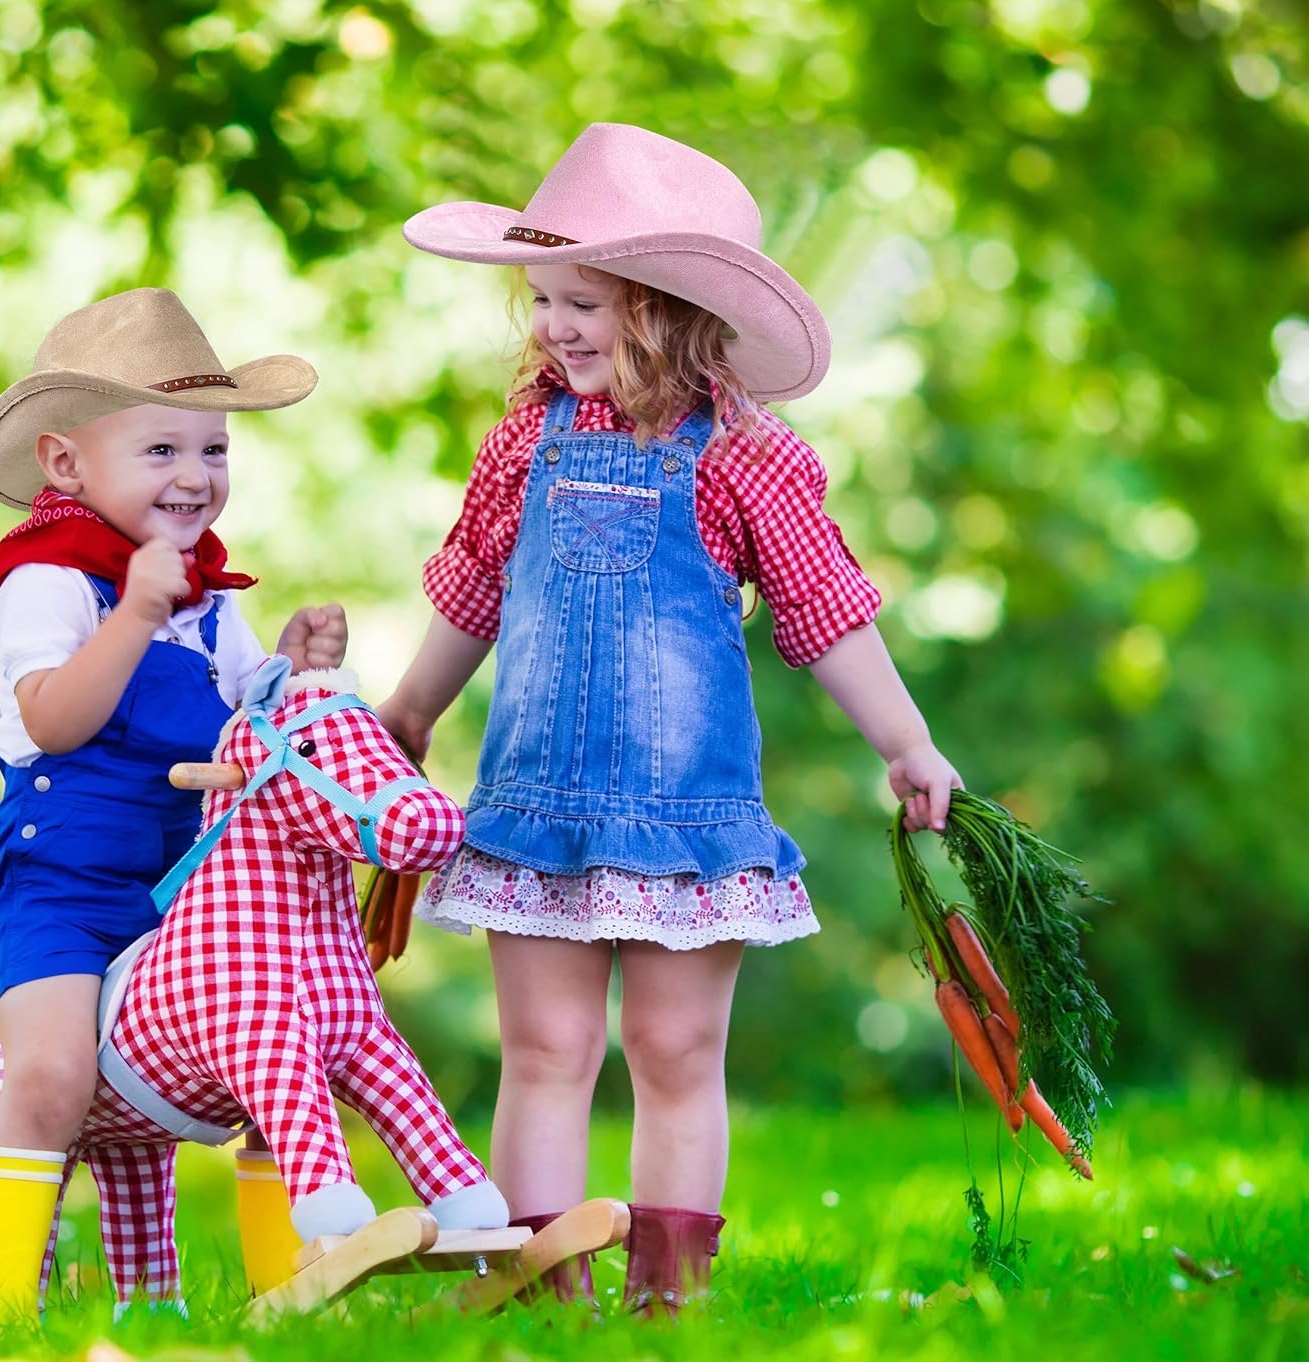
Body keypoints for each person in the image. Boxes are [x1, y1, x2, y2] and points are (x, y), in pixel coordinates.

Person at [378, 124, 961, 1315]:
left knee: (676, 1052)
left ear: (670, 309)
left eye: (585, 301)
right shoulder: (518, 447)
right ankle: (544, 1294)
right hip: (532, 808)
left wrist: (906, 743)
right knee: (544, 1052)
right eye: (542, 300)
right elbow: (471, 592)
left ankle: (669, 1300)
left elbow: (828, 613)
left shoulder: (746, 457)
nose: (554, 326)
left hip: (687, 820)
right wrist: (408, 710)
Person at [0, 287, 347, 1318]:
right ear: (65, 464)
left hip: (187, 893)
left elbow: (250, 723)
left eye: (214, 451)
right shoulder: (43, 582)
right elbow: (53, 719)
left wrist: (293, 674)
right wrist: (135, 610)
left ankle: (300, 1279)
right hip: (66, 887)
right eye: (163, 451)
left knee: (279, 1050)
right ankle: (0, 1311)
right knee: (47, 1076)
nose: (197, 477)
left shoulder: (209, 602)